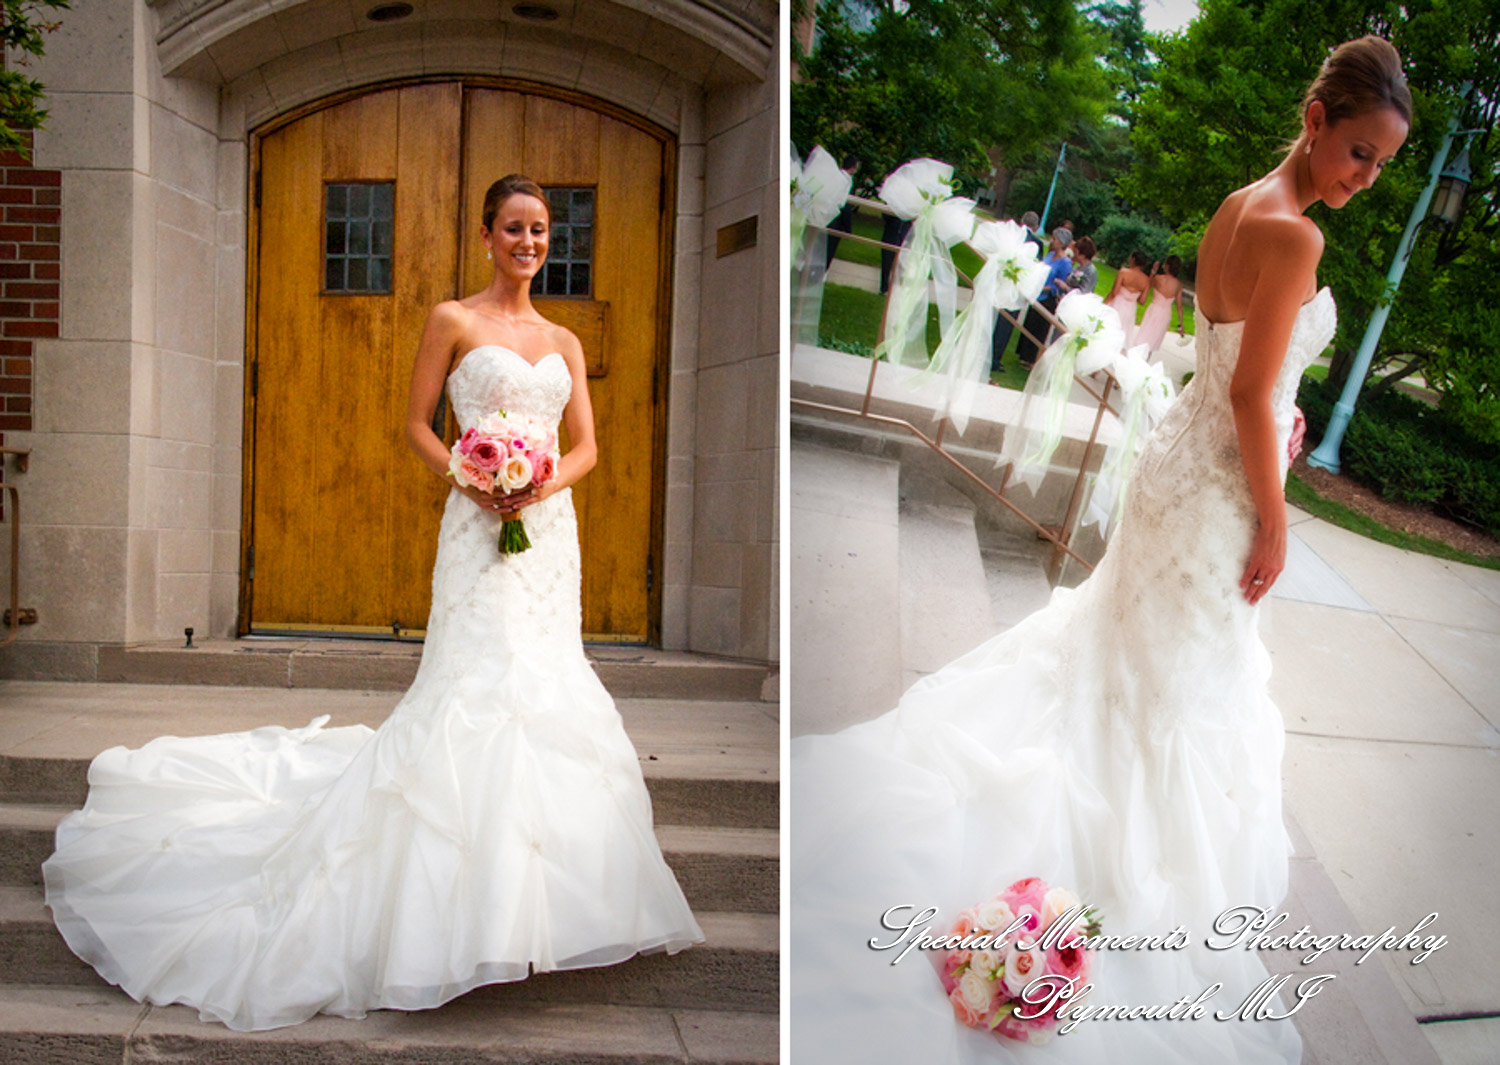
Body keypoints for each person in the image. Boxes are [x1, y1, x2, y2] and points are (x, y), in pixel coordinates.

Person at [790, 35, 1410, 1065]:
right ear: (1317, 122)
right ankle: (1111, 889)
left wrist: (1277, 425)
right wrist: (1277, 511)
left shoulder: (1242, 203)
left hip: (1175, 474)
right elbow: (1250, 392)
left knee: (1133, 674)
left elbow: (1228, 371)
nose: (1366, 176)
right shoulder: (1295, 238)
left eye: (1381, 163)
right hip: (1209, 499)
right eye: (1357, 151)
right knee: (1171, 695)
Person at [41, 174, 705, 1031]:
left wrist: (538, 484)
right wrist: (471, 475)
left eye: (540, 230)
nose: (529, 243)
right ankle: (463, 910)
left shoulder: (565, 339)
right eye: (513, 228)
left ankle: (529, 905)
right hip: (475, 524)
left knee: (544, 679)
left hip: (548, 533)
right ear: (485, 233)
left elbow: (589, 445)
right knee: (479, 683)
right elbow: (416, 425)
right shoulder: (452, 320)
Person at [990, 211, 1044, 373]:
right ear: (1035, 227)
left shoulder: (1010, 234)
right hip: (1017, 287)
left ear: (1021, 221)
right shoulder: (1036, 243)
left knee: (992, 317)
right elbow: (1036, 270)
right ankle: (995, 358)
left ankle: (985, 352)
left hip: (1000, 282)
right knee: (1007, 323)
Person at [1013, 226, 1073, 368]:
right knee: (1030, 323)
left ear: (1061, 242)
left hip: (1048, 297)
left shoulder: (1065, 262)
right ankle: (1023, 354)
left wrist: (1044, 287)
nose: (1052, 241)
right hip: (1037, 293)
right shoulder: (1050, 255)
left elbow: (1061, 284)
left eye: (1055, 239)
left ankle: (1031, 358)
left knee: (1039, 327)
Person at [1136, 254, 1188, 354]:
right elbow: (1179, 307)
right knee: (1153, 339)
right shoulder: (1178, 285)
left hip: (1154, 310)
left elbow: (1147, 284)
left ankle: (1137, 356)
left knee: (1144, 335)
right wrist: (1181, 325)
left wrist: (1153, 272)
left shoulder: (1159, 278)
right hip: (1165, 314)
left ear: (1167, 266)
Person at [1104, 249, 1152, 348]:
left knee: (1110, 328)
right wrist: (1133, 296)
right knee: (1124, 331)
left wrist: (1104, 304)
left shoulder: (1123, 272)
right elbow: (1142, 301)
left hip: (1118, 304)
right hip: (1130, 308)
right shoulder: (1146, 280)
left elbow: (1114, 292)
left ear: (1133, 259)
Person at [824, 153, 861, 268]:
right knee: (829, 250)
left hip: (827, 216)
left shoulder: (837, 176)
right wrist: (848, 228)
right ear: (853, 167)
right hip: (835, 220)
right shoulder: (846, 181)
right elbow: (845, 204)